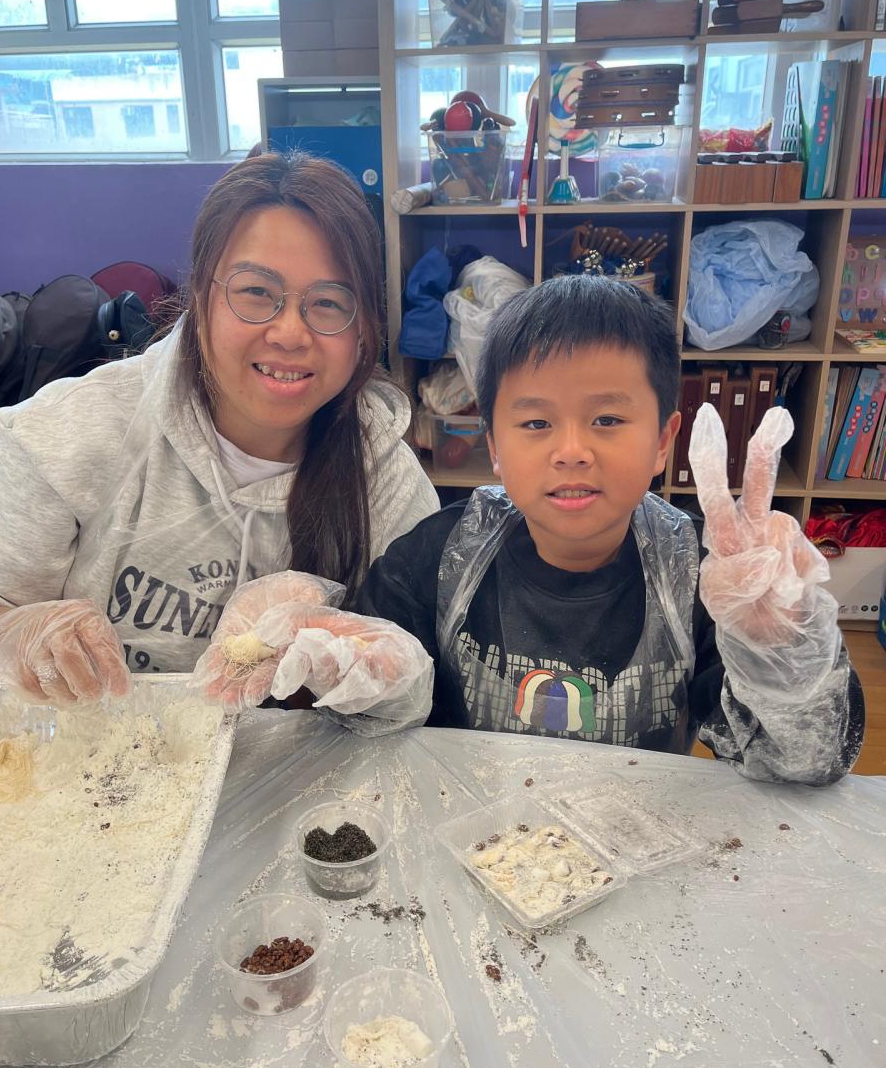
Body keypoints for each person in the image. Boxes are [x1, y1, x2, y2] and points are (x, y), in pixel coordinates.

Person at [0, 152, 439, 709]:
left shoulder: (385, 477)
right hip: (92, 748)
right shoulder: (66, 433)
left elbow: (420, 681)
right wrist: (27, 636)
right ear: (199, 299)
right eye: (255, 292)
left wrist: (368, 669)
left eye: (329, 303)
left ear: (363, 330)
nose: (290, 333)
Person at [350, 273, 864, 784]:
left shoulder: (710, 580)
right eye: (536, 423)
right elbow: (367, 721)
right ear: (496, 448)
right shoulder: (435, 558)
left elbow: (804, 763)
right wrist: (357, 677)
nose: (572, 451)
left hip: (642, 824)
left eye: (607, 420)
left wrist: (781, 652)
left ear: (662, 442)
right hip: (467, 818)